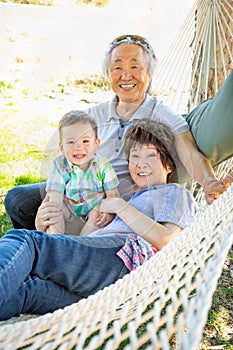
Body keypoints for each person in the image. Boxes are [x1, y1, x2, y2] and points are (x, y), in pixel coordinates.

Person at [4, 34, 233, 230]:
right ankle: (44, 251)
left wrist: (210, 182)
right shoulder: (93, 115)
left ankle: (58, 252)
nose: (126, 76)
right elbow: (67, 158)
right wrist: (54, 194)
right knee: (18, 199)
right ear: (108, 75)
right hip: (79, 189)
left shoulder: (161, 114)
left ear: (149, 73)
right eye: (117, 68)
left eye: (135, 67)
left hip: (124, 200)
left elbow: (190, 152)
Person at [0, 119, 197, 320]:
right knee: (28, 290)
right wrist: (46, 230)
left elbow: (167, 240)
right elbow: (88, 242)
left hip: (127, 263)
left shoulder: (175, 193)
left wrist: (119, 205)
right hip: (103, 290)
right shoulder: (133, 198)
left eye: (151, 156)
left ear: (169, 164)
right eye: (134, 157)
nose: (140, 164)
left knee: (25, 241)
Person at [45, 110, 119, 235]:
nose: (78, 147)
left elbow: (113, 195)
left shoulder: (102, 165)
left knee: (97, 211)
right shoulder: (60, 165)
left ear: (96, 144)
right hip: (70, 210)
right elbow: (55, 195)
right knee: (54, 208)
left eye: (85, 141)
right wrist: (53, 212)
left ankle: (81, 242)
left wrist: (109, 211)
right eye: (71, 142)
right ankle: (55, 240)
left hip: (93, 208)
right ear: (62, 147)